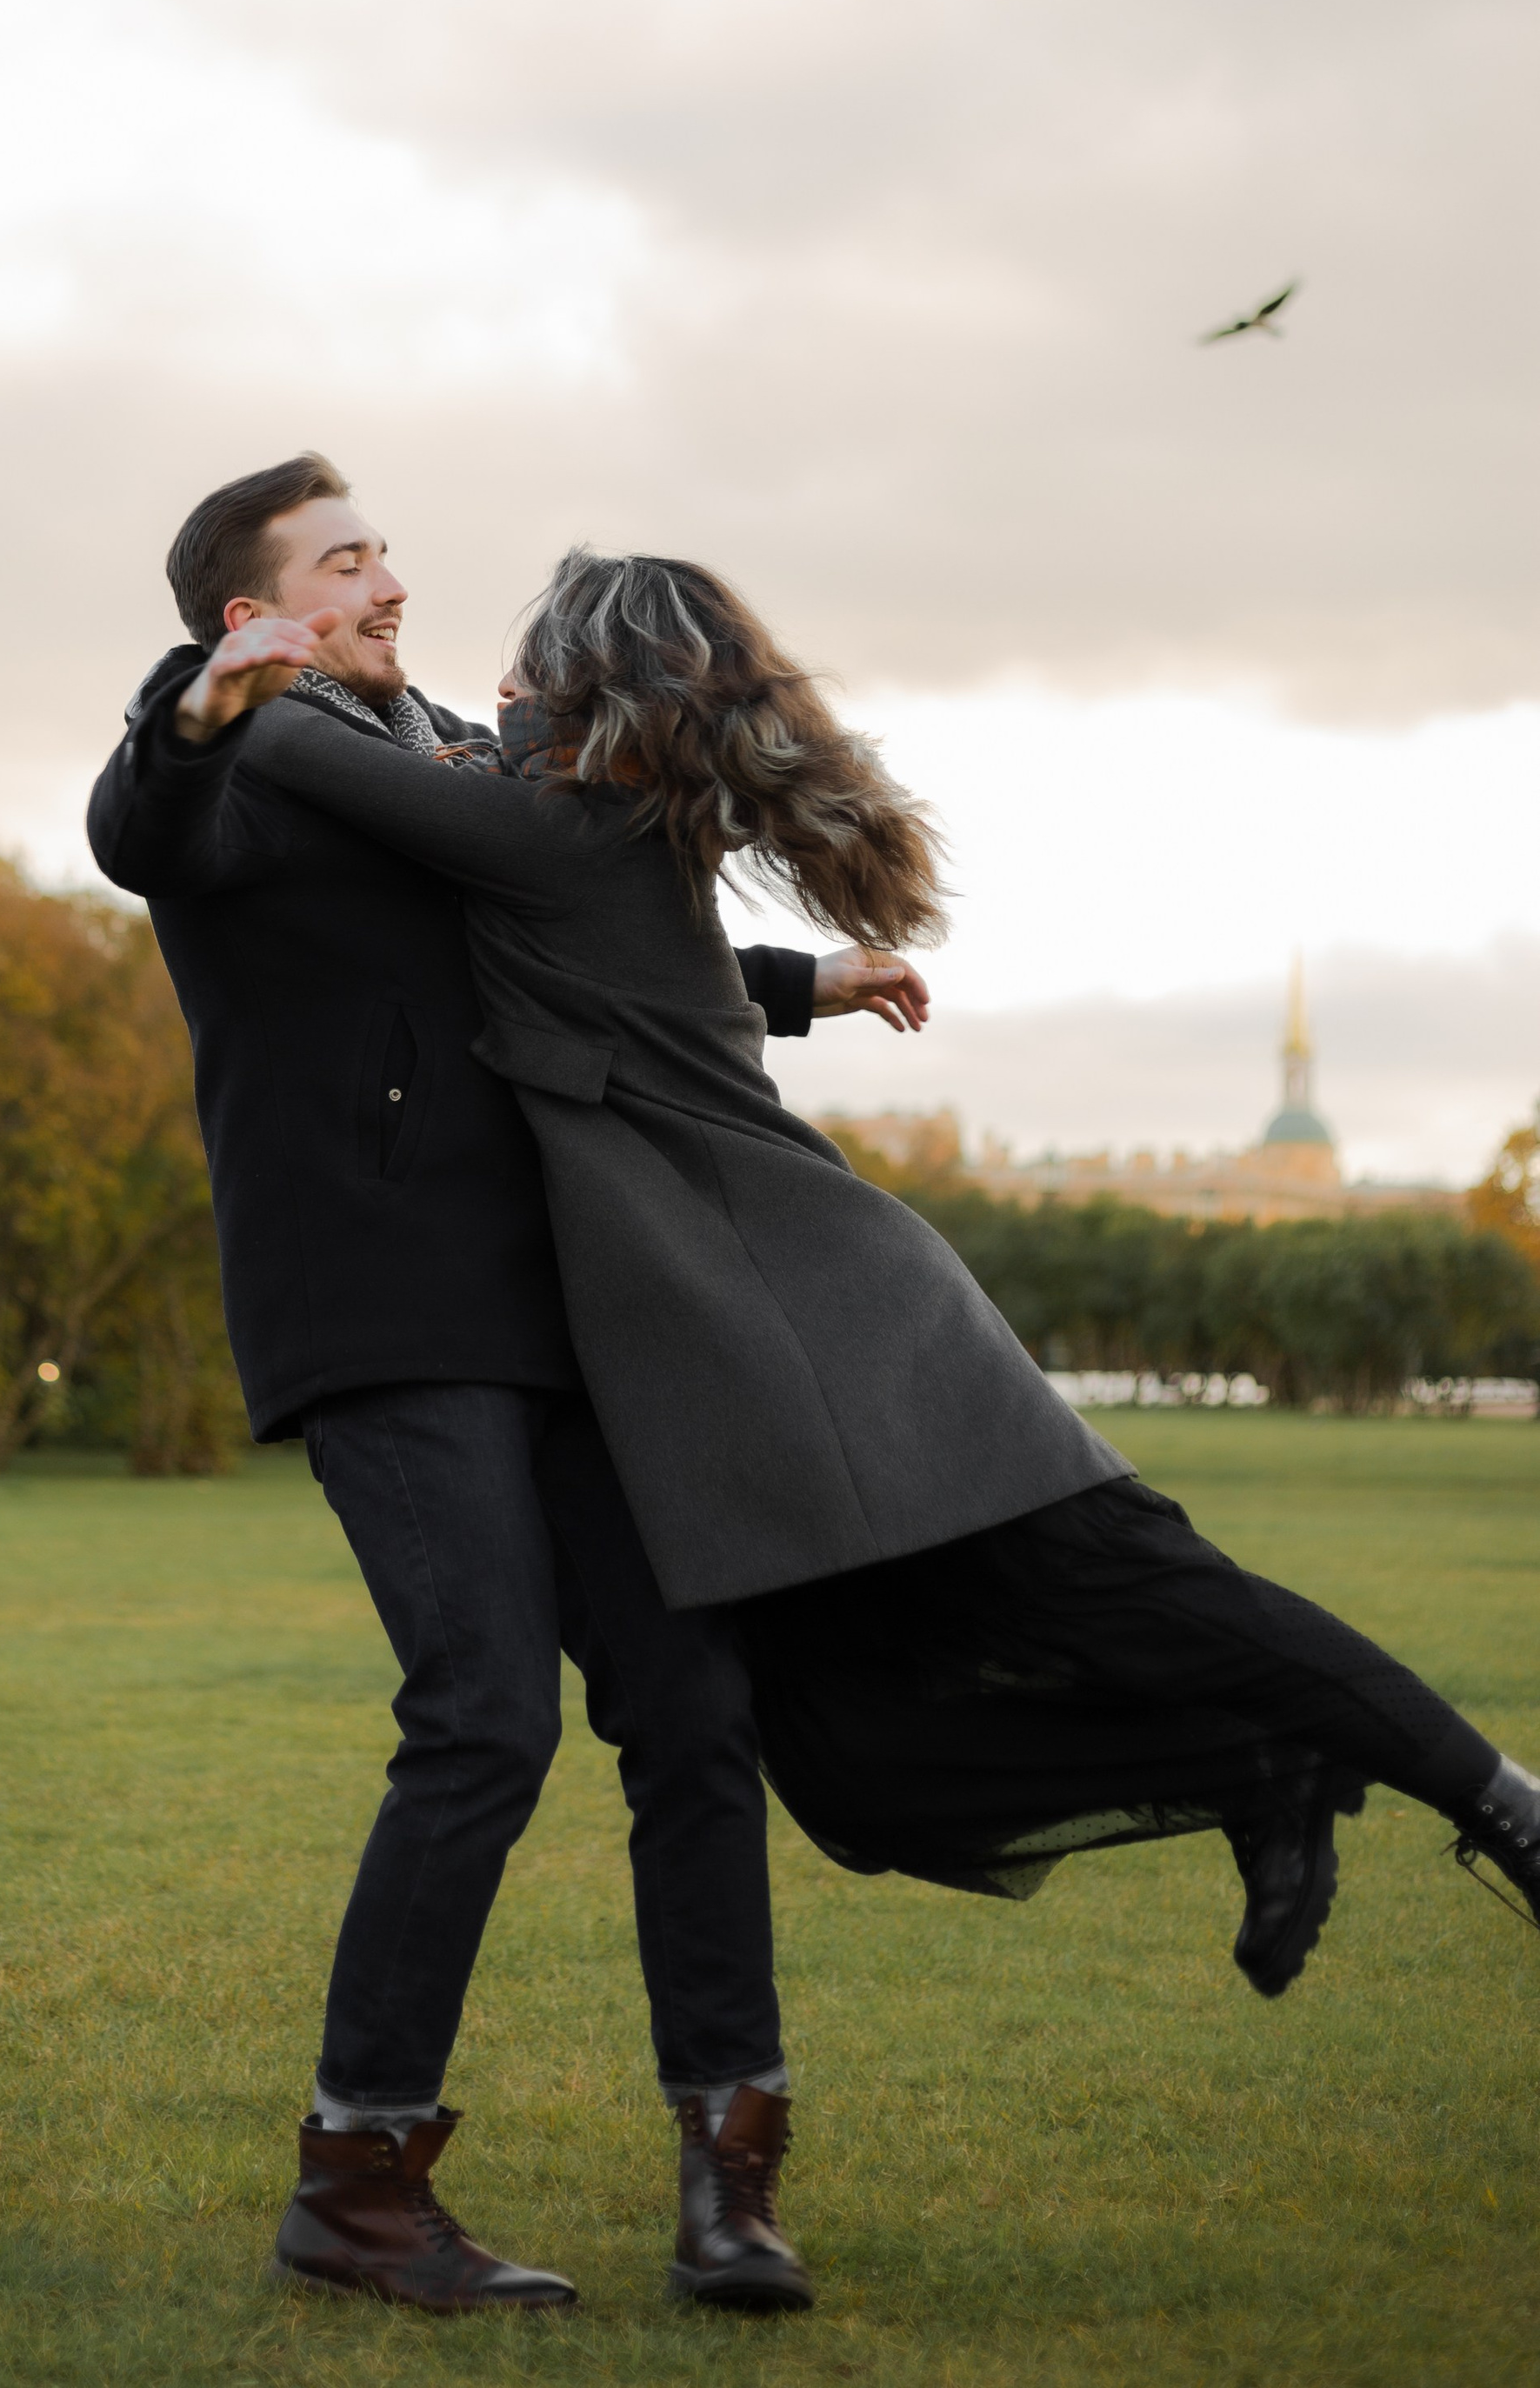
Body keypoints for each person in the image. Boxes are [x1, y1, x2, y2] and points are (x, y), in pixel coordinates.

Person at [201, 544, 1540, 2004]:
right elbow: (605, 947)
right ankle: (1260, 1767)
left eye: (529, 668)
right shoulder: (581, 823)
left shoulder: (555, 828)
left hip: (841, 1311)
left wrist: (224, 654)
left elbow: (278, 737)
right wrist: (809, 981)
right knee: (853, 1774)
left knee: (1146, 1591)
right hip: (754, 1336)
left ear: (591, 696)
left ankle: (1503, 1804)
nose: (498, 686)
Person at [88, 463, 913, 2317]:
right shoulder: (237, 760)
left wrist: (801, 981)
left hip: (562, 1308)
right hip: (379, 1309)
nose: (385, 574)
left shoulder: (455, 750)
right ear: (250, 616)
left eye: (380, 544)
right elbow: (138, 827)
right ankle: (357, 2182)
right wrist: (190, 705)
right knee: (481, 1717)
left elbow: (583, 921)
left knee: (693, 1703)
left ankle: (728, 2173)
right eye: (339, 559)